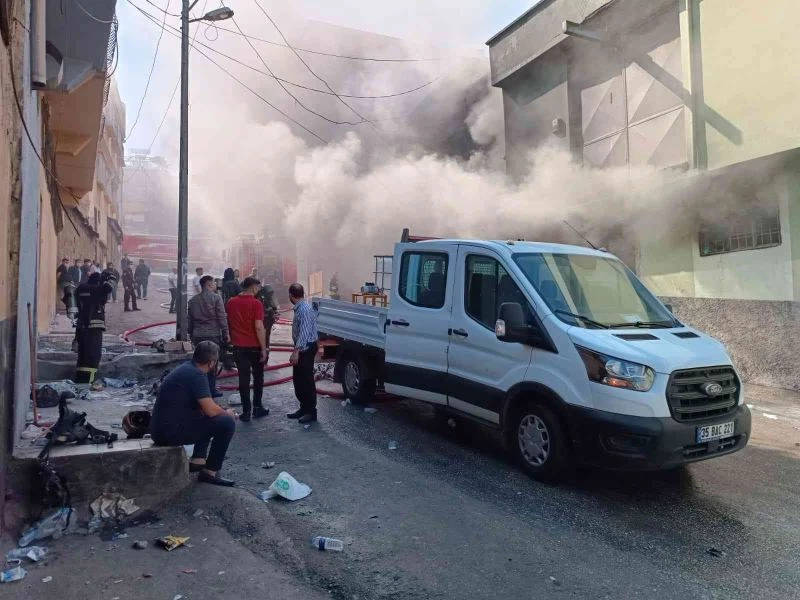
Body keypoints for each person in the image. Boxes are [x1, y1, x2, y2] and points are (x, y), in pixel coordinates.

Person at [151, 341, 237, 487]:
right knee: (226, 422)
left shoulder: (187, 368)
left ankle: (198, 460)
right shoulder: (197, 375)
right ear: (211, 363)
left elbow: (204, 406)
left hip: (161, 429)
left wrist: (217, 409)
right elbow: (211, 410)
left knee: (206, 416)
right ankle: (210, 472)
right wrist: (227, 412)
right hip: (169, 433)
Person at [226, 277, 269, 422]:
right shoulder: (256, 304)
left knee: (243, 379)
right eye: (258, 288)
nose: (259, 290)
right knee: (258, 378)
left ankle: (246, 412)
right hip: (254, 347)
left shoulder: (231, 302)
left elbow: (230, 323)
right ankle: (258, 408)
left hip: (238, 347)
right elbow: (258, 327)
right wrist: (263, 349)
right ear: (253, 287)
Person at [188, 275, 229, 398]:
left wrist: (190, 333)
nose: (216, 286)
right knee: (212, 364)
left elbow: (189, 320)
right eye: (214, 284)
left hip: (198, 335)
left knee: (199, 363)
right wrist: (226, 332)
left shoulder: (193, 300)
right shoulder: (216, 298)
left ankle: (199, 389)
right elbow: (221, 317)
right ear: (209, 285)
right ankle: (211, 390)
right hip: (213, 335)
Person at [73, 271, 116, 383]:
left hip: (81, 326)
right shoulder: (97, 290)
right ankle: (88, 382)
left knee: (83, 354)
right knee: (93, 355)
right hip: (94, 328)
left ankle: (80, 380)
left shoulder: (81, 288)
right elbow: (109, 287)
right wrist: (111, 277)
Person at [287, 283, 319, 424]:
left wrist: (296, 352)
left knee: (306, 381)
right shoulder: (300, 308)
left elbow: (304, 333)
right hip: (302, 348)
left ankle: (311, 412)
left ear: (291, 295)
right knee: (298, 380)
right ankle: (303, 408)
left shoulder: (304, 310)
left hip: (306, 349)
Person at [257, 283, 279, 361]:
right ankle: (263, 354)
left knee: (266, 337)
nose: (270, 295)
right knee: (264, 338)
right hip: (263, 321)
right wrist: (268, 310)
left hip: (268, 321)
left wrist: (275, 312)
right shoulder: (260, 298)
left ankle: (265, 354)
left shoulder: (268, 297)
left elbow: (274, 306)